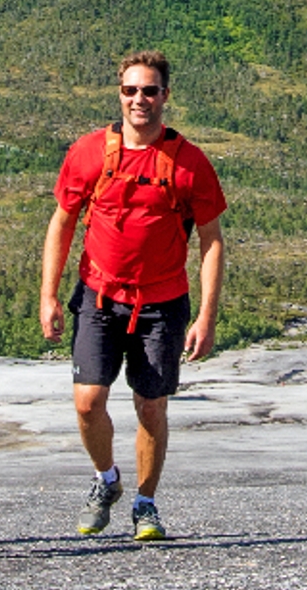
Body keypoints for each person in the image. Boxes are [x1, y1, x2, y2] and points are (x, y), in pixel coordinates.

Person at [38, 49, 227, 541]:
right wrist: (50, 295)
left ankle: (146, 503)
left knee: (151, 405)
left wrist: (206, 316)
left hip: (163, 306)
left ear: (166, 95)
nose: (139, 100)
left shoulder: (189, 163)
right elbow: (62, 223)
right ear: (118, 93)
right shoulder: (87, 153)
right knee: (87, 402)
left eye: (149, 90)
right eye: (130, 90)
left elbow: (212, 240)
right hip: (99, 298)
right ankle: (107, 480)